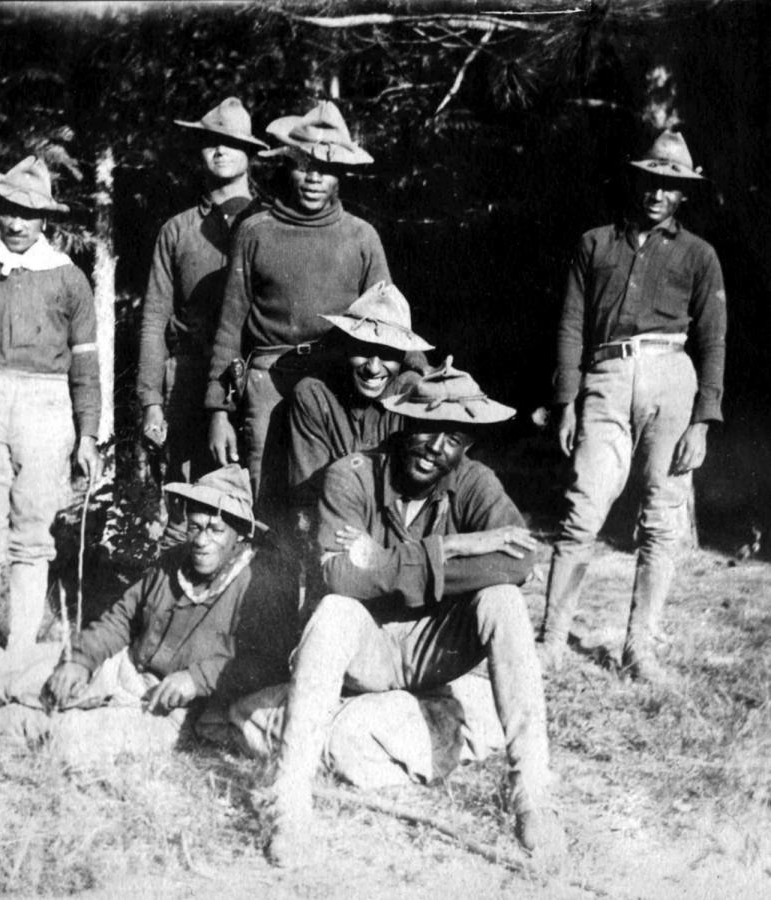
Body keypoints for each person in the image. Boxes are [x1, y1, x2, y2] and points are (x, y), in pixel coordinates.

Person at [264, 358, 562, 868]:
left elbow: (518, 561)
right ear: (402, 422)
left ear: (467, 445)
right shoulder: (351, 476)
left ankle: (532, 794)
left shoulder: (475, 483)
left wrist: (382, 562)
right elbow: (342, 576)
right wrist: (454, 548)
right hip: (370, 646)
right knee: (334, 609)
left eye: (454, 438)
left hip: (436, 646)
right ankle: (290, 802)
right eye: (427, 429)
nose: (435, 448)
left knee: (504, 600)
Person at [0, 467, 297, 761]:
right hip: (122, 667)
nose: (201, 540)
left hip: (171, 712)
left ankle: (1, 724)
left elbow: (268, 663)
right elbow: (121, 618)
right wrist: (80, 660)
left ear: (240, 536)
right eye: (196, 526)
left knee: (64, 738)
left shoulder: (257, 585)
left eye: (216, 530)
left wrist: (197, 679)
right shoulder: (173, 564)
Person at [539, 130, 727, 682]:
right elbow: (570, 325)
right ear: (635, 180)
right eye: (650, 180)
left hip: (671, 380)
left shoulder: (699, 255)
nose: (657, 193)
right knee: (582, 509)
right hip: (607, 377)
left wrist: (703, 419)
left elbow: (713, 339)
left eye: (670, 185)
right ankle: (551, 640)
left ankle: (640, 648)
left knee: (663, 518)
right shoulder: (596, 244)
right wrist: (566, 400)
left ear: (683, 194)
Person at [0, 156, 103, 656]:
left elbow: (85, 365)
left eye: (28, 213)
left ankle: (22, 651)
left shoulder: (70, 280)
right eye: (7, 209)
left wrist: (88, 434)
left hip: (46, 408)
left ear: (45, 218)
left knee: (33, 531)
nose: (15, 223)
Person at [205, 101, 390, 525]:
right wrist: (218, 411)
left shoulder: (362, 237)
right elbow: (229, 328)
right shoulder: (255, 231)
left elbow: (389, 323)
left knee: (333, 499)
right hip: (268, 382)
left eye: (325, 169)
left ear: (341, 175)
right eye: (304, 165)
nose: (313, 178)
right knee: (268, 507)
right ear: (287, 165)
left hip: (336, 387)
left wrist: (423, 376)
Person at [137, 98, 268, 542]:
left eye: (232, 142)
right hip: (190, 380)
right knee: (185, 510)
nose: (220, 150)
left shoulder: (270, 224)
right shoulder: (178, 231)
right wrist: (152, 402)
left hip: (256, 377)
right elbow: (155, 319)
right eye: (211, 141)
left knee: (259, 505)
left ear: (250, 152)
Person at [288, 280, 433, 522]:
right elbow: (307, 496)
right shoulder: (314, 396)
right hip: (332, 521)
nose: (373, 368)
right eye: (363, 350)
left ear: (402, 356)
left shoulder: (412, 394)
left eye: (387, 354)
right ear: (346, 346)